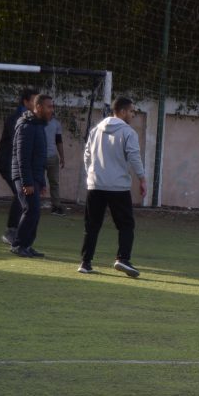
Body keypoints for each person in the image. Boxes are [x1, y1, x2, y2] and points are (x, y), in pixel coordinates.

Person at [79, 96, 147, 276]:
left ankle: (85, 262)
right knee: (126, 224)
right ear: (122, 111)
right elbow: (134, 156)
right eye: (131, 111)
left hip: (95, 184)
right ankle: (122, 259)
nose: (133, 115)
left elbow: (87, 155)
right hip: (118, 186)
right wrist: (142, 178)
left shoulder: (95, 130)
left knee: (92, 225)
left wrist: (92, 174)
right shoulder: (128, 132)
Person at [9, 93, 54, 257]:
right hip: (24, 177)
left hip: (34, 177)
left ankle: (27, 246)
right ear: (39, 107)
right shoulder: (26, 126)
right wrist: (27, 182)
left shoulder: (38, 126)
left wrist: (41, 182)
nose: (52, 110)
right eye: (49, 107)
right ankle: (18, 245)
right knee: (31, 210)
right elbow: (23, 157)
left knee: (35, 212)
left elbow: (39, 158)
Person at [0, 87, 39, 246]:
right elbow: (20, 143)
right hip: (8, 163)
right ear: (26, 102)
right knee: (22, 194)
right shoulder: (16, 119)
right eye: (34, 101)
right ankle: (12, 231)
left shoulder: (32, 119)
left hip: (18, 164)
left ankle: (18, 232)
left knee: (23, 195)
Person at [43, 112, 66, 216]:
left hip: (52, 157)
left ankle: (56, 207)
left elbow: (59, 141)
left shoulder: (56, 124)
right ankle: (31, 205)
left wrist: (62, 157)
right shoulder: (37, 122)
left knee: (54, 183)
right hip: (39, 157)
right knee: (36, 182)